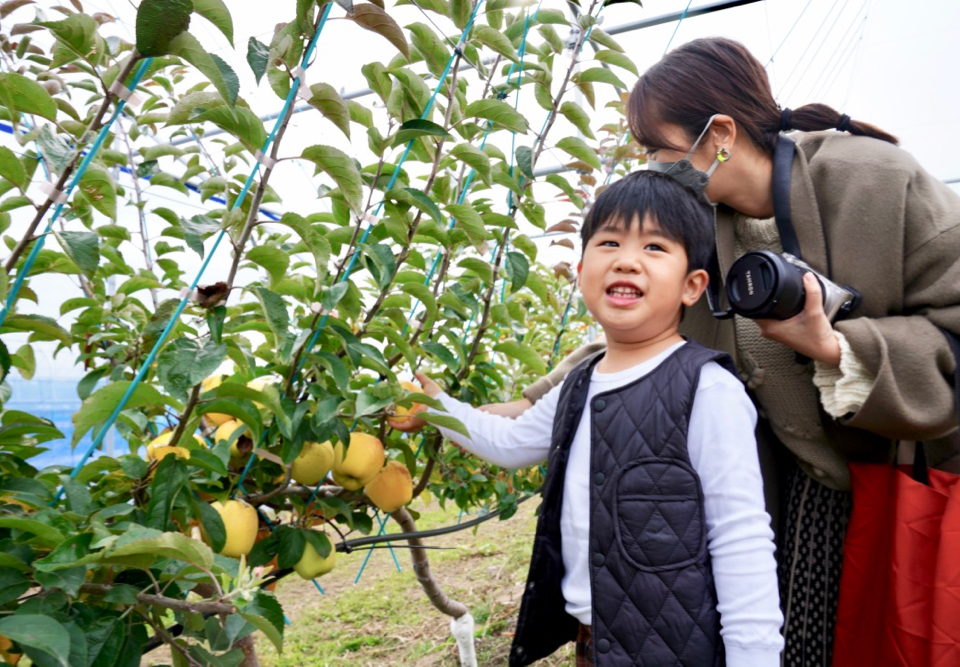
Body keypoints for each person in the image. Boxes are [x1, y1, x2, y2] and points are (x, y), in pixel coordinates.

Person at [478, 37, 960, 667]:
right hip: (801, 487)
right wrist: (530, 401)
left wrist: (839, 347)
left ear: (721, 135)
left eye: (659, 149)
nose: (652, 167)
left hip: (907, 480)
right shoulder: (703, 227)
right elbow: (641, 331)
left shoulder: (875, 180)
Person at [396, 170, 785, 666]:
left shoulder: (707, 389)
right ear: (581, 270)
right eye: (609, 242)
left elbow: (740, 538)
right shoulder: (578, 384)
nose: (627, 260)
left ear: (692, 286)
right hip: (593, 645)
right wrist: (439, 410)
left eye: (655, 248)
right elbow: (514, 443)